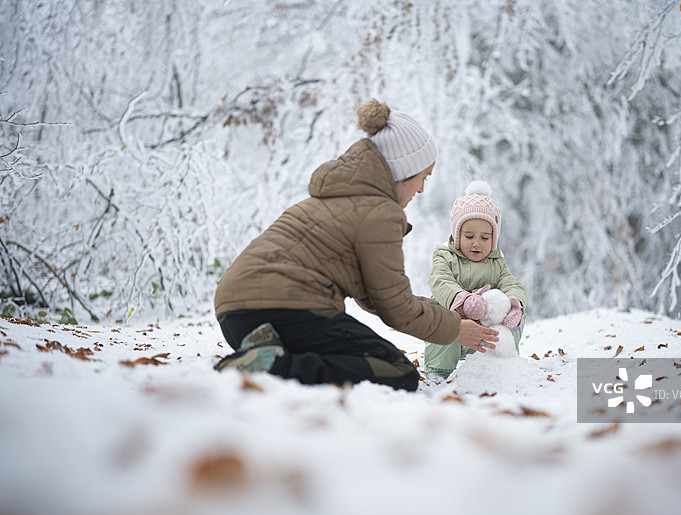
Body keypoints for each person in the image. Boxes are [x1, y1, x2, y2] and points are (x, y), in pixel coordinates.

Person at [212, 99, 499, 392]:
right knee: (396, 371)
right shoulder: (379, 211)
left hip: (236, 316)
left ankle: (267, 352)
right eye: (422, 177)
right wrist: (454, 330)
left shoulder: (338, 199)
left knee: (347, 354)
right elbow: (396, 309)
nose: (422, 189)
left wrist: (448, 314)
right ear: (402, 172)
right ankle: (274, 366)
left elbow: (375, 296)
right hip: (288, 308)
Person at [424, 181, 528, 382]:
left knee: (516, 318)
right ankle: (439, 370)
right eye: (469, 236)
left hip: (484, 328)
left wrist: (516, 303)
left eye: (485, 237)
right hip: (455, 326)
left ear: (494, 239)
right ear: (457, 234)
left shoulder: (496, 261)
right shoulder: (445, 256)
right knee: (441, 315)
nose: (477, 243)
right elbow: (440, 279)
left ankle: (499, 362)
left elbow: (511, 283)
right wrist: (461, 300)